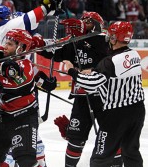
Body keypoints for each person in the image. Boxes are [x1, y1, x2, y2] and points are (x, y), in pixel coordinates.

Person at [36, 11, 124, 167]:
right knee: (76, 138)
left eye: (87, 21)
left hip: (106, 97)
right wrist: (37, 44)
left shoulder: (105, 39)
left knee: (111, 136)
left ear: (96, 25)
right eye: (82, 21)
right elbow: (53, 51)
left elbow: (106, 50)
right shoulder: (73, 41)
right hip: (81, 97)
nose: (83, 23)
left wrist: (85, 37)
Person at [63, 21, 145, 167]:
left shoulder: (109, 62)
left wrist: (71, 71)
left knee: (100, 158)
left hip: (116, 115)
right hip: (137, 111)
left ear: (114, 38)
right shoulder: (135, 55)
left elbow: (91, 84)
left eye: (110, 35)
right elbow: (112, 75)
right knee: (131, 152)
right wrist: (94, 71)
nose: (108, 37)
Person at [0, 28, 57, 167]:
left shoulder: (26, 65)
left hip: (22, 119)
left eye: (10, 44)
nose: (5, 46)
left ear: (20, 48)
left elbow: (19, 85)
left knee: (26, 160)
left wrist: (47, 83)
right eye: (6, 42)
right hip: (0, 120)